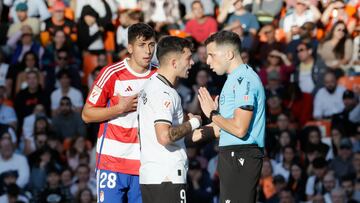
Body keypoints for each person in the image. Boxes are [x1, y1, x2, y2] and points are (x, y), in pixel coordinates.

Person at [81, 23, 157, 203]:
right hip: (112, 162)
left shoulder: (158, 75)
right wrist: (119, 108)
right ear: (129, 48)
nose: (148, 51)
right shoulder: (111, 73)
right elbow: (86, 114)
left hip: (144, 164)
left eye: (151, 44)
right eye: (142, 45)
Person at [198, 30, 266, 202]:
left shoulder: (245, 80)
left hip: (242, 153)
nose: (207, 61)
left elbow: (239, 128)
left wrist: (213, 114)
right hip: (233, 154)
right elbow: (225, 127)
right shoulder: (233, 79)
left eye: (211, 55)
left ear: (229, 54)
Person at [137, 36, 201, 203]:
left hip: (153, 175)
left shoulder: (151, 85)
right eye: (188, 58)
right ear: (174, 62)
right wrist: (194, 123)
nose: (192, 63)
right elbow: (164, 137)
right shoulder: (164, 92)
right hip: (167, 176)